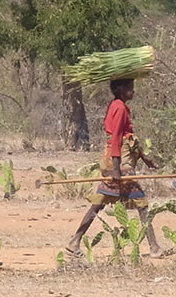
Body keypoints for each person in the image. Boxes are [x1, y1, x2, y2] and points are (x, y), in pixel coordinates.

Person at [65, 78, 167, 257]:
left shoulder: (119, 106)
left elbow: (128, 137)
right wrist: (117, 170)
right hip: (119, 163)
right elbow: (117, 139)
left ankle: (75, 241)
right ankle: (154, 247)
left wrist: (144, 158)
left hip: (118, 161)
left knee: (99, 203)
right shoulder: (119, 108)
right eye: (130, 88)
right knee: (141, 204)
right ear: (121, 90)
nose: (133, 91)